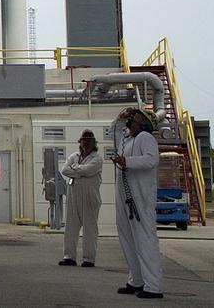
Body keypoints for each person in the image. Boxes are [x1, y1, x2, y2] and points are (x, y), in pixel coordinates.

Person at [112, 108, 163, 299]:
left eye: (135, 117)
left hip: (140, 198)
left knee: (144, 240)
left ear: (144, 122)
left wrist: (128, 161)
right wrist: (121, 116)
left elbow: (152, 160)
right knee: (128, 239)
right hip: (126, 198)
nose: (131, 119)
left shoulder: (145, 138)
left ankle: (153, 285)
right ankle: (136, 280)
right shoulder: (128, 140)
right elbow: (114, 131)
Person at [59, 129, 103, 267]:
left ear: (93, 143)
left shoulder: (97, 159)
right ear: (80, 142)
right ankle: (69, 256)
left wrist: (76, 170)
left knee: (90, 228)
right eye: (84, 140)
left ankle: (89, 258)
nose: (86, 143)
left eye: (89, 140)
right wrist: (80, 171)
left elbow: (88, 170)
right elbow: (65, 170)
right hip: (73, 195)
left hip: (90, 197)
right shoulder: (74, 156)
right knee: (70, 227)